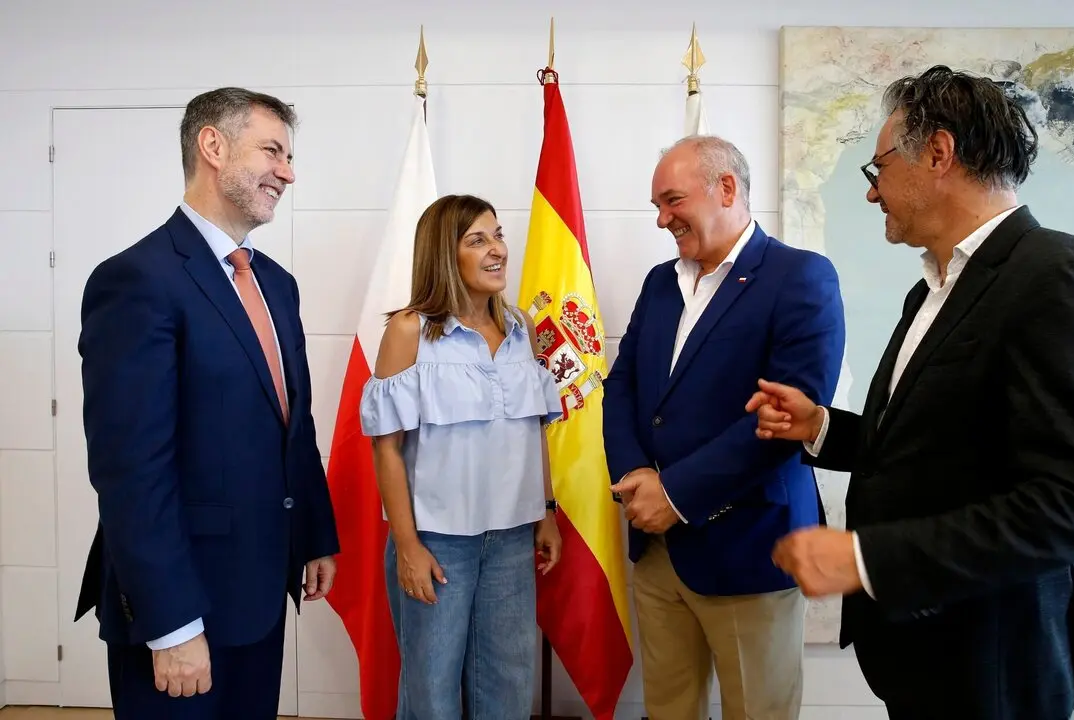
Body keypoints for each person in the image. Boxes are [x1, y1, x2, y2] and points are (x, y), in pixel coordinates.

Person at [747, 65, 1074, 719]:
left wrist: (868, 558)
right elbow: (932, 449)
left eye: (878, 171)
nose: (873, 195)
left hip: (992, 669)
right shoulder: (932, 290)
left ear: (940, 153)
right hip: (922, 657)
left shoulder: (1056, 274)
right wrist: (818, 428)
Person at [74, 87, 340, 719]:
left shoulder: (276, 284)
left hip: (261, 590)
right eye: (272, 150)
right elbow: (131, 471)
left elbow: (290, 426)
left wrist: (313, 534)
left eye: (290, 155)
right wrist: (171, 624)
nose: (288, 171)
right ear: (213, 146)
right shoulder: (137, 279)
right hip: (182, 607)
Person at [603, 135, 846, 720]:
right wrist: (636, 471)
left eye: (672, 201)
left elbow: (784, 421)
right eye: (657, 206)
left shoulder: (800, 277)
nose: (662, 220)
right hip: (659, 551)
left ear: (727, 189)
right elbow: (622, 388)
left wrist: (675, 494)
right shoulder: (661, 282)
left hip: (749, 551)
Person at [359, 194, 563, 720]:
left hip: (512, 538)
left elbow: (533, 429)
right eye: (478, 240)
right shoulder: (409, 332)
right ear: (444, 255)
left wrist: (547, 514)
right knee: (431, 690)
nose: (497, 250)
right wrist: (407, 544)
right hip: (437, 540)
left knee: (509, 685)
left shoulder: (521, 329)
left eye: (498, 236)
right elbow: (387, 448)